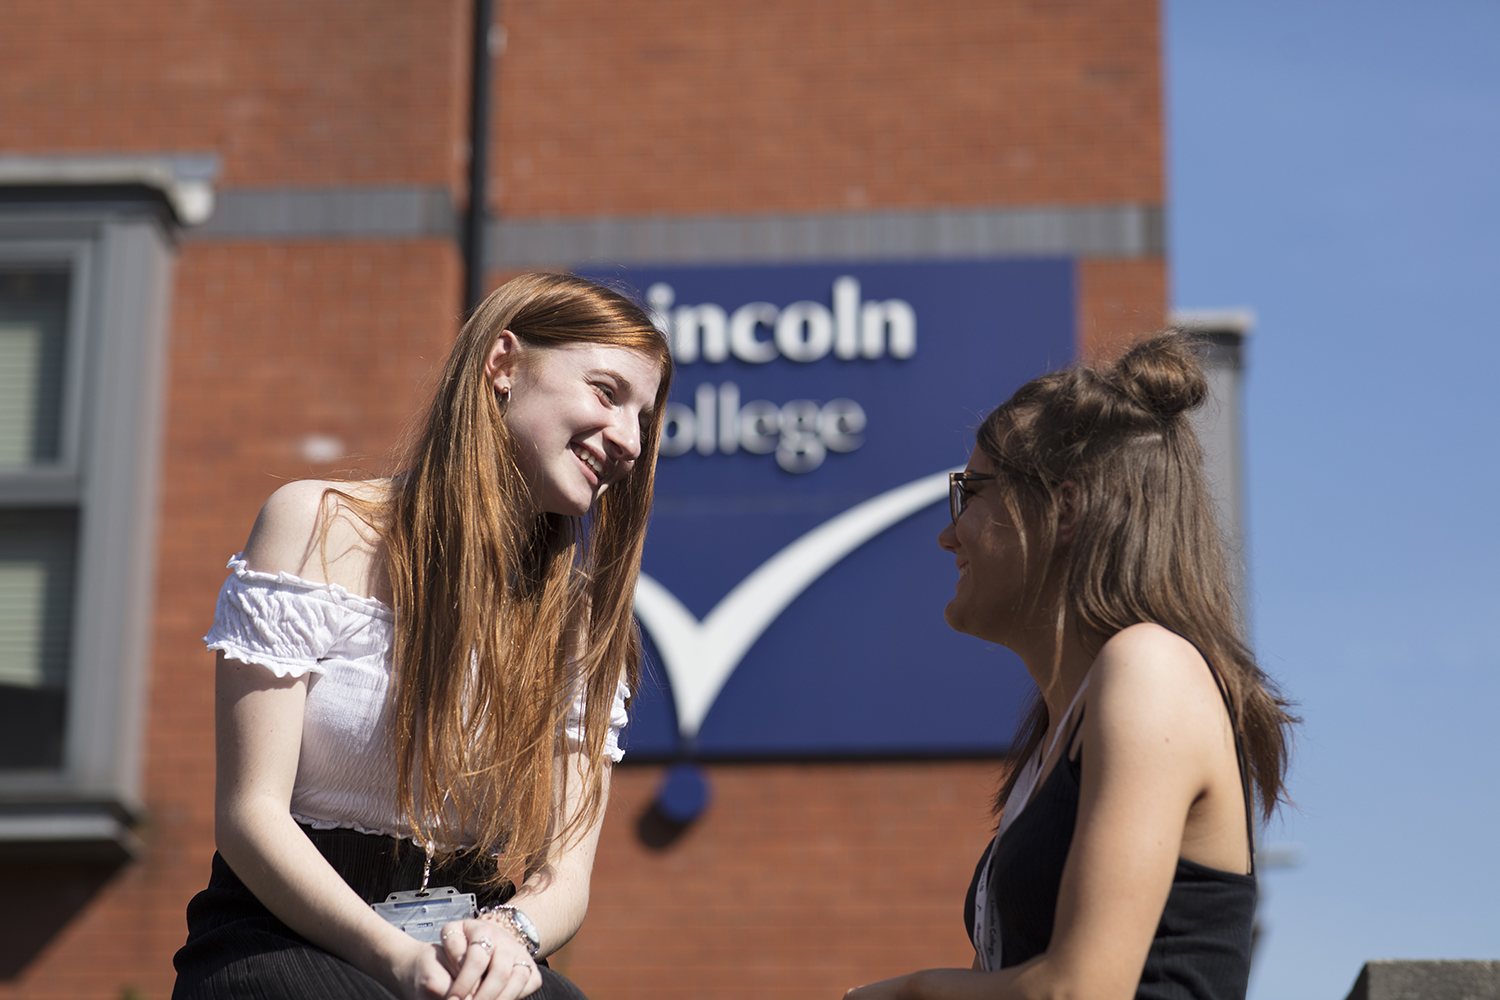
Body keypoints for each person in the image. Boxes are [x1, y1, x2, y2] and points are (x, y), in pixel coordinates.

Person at [172, 273, 672, 1000]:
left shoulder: (584, 621)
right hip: (280, 940)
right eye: (606, 392)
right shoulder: (316, 527)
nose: (628, 439)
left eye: (645, 420)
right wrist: (396, 960)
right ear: (502, 366)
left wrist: (510, 936)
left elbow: (565, 877)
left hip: (462, 946)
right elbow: (250, 815)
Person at [845, 333, 1296, 1000]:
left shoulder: (1151, 670)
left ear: (1063, 508)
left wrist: (905, 993)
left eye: (971, 492)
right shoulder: (1062, 731)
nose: (949, 532)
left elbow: (1080, 989)